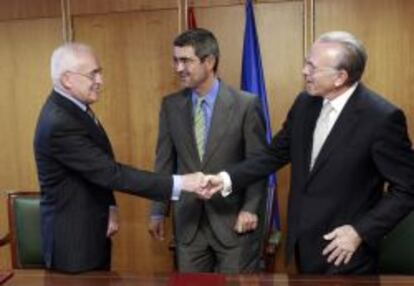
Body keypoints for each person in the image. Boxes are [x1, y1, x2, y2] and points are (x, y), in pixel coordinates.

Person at [204, 31, 414, 274]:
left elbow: (408, 188)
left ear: (340, 77)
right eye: (306, 62)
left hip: (347, 252)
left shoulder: (381, 118)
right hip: (303, 247)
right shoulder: (305, 103)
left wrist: (360, 231)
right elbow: (274, 155)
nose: (304, 71)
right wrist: (225, 179)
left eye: (312, 67)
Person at [33, 43, 205, 274]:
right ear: (67, 80)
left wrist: (110, 204)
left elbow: (94, 166)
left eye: (99, 72)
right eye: (92, 74)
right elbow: (110, 172)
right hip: (73, 246)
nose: (100, 80)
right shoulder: (60, 122)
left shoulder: (75, 108)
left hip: (91, 232)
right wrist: (181, 183)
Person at [148, 28, 267, 273]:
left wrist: (250, 208)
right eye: (176, 60)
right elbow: (164, 162)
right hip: (189, 225)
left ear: (209, 61)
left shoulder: (245, 105)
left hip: (233, 223)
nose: (178, 68)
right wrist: (158, 211)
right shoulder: (171, 106)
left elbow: (258, 164)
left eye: (186, 61)